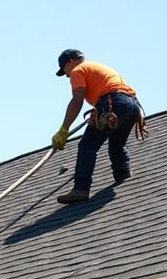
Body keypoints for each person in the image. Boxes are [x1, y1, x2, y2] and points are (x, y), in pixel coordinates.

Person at [50, 49, 145, 204]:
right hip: (131, 105)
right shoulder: (96, 67)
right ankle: (123, 174)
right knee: (116, 144)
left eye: (64, 70)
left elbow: (77, 100)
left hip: (112, 102)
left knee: (87, 145)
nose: (66, 75)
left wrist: (63, 129)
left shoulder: (77, 70)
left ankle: (80, 189)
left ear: (70, 62)